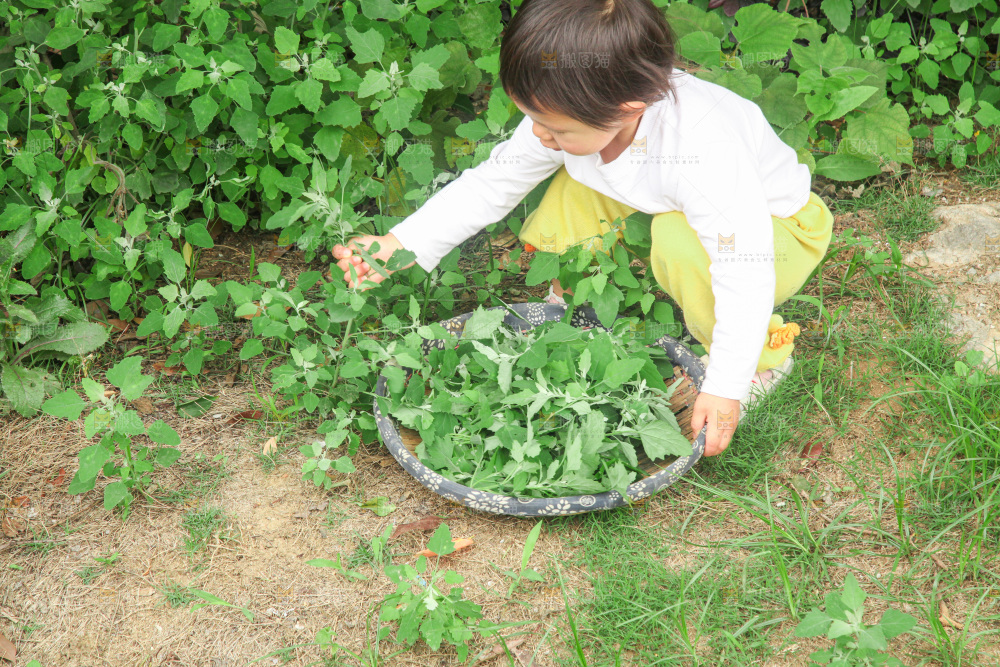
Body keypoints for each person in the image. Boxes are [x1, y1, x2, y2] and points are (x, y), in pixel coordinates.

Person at [331, 0, 833, 457]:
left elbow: (742, 265)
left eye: (557, 127)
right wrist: (396, 244)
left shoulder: (703, 149)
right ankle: (572, 300)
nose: (540, 134)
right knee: (573, 180)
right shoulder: (576, 114)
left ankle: (765, 359)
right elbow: (493, 183)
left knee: (680, 243)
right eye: (532, 117)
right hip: (668, 200)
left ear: (627, 109)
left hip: (775, 234)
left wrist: (726, 383)